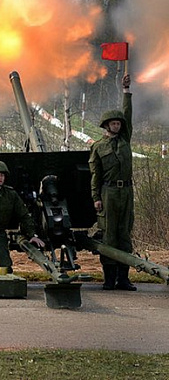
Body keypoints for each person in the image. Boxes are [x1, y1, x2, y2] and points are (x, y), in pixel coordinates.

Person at [89, 73, 136, 291]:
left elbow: (128, 113)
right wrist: (96, 198)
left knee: (124, 234)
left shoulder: (125, 139)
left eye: (119, 123)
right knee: (108, 235)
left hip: (126, 192)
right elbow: (95, 175)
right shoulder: (99, 147)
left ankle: (123, 278)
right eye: (114, 123)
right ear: (106, 125)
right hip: (108, 193)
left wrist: (126, 91)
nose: (117, 126)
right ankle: (109, 279)